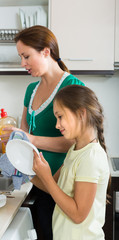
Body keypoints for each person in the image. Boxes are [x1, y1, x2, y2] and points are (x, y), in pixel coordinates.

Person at [0, 25, 84, 239]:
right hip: (35, 179)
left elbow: (74, 142)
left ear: (46, 52)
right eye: (21, 57)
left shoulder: (72, 87)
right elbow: (21, 141)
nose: (22, 63)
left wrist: (29, 138)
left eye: (26, 56)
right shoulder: (31, 90)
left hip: (59, 184)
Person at [32, 85, 110, 240]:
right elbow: (53, 187)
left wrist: (46, 177)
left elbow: (78, 215)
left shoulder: (91, 157)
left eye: (60, 117)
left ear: (81, 113)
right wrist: (25, 175)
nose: (57, 125)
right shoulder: (74, 150)